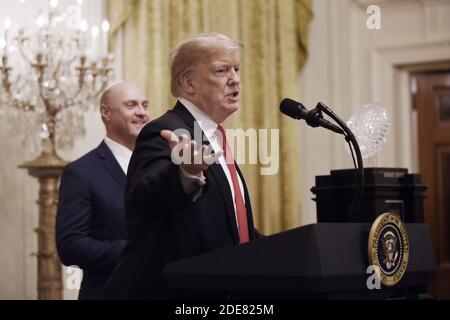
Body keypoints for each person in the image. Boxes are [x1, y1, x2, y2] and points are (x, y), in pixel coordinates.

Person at [103, 33, 261, 300]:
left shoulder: (212, 136)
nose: (235, 79)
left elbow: (230, 226)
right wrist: (184, 172)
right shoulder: (164, 130)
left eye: (236, 69)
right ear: (188, 82)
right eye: (221, 70)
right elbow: (143, 198)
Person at [55, 82, 150, 300]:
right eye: (131, 105)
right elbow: (71, 245)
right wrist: (138, 251)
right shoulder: (80, 172)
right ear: (106, 113)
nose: (142, 112)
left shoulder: (161, 166)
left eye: (145, 105)